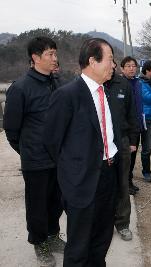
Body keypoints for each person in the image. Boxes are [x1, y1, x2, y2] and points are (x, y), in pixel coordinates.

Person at [43, 38, 121, 267]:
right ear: (92, 61)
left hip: (108, 175)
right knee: (79, 247)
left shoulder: (105, 92)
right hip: (82, 182)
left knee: (101, 240)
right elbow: (51, 142)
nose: (114, 65)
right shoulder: (67, 95)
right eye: (110, 59)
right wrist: (73, 169)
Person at [3, 36, 64, 267]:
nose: (54, 58)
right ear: (35, 57)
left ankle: (53, 235)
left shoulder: (56, 83)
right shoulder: (20, 88)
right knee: (37, 205)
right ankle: (40, 243)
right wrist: (29, 151)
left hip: (58, 159)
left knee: (57, 202)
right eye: (50, 54)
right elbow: (11, 131)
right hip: (35, 161)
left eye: (55, 54)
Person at [104, 60, 139, 241]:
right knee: (103, 185)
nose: (110, 66)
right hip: (100, 145)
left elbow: (132, 113)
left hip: (122, 142)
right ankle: (104, 223)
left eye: (112, 63)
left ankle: (123, 224)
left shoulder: (122, 84)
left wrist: (133, 140)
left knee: (123, 184)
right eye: (107, 62)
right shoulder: (94, 85)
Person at [120, 56, 143, 194]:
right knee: (125, 158)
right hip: (125, 128)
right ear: (122, 68)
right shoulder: (119, 84)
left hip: (136, 126)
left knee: (133, 157)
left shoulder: (138, 83)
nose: (131, 68)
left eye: (133, 65)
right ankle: (124, 184)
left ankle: (129, 181)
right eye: (128, 66)